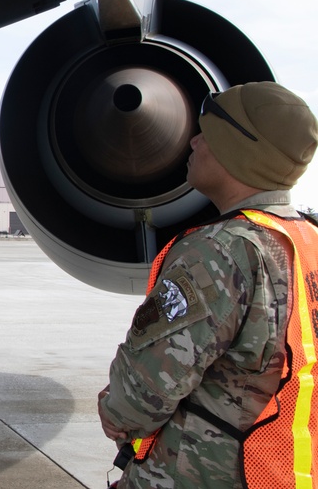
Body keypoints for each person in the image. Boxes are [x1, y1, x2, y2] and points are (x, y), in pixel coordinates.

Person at [97, 81, 318, 487]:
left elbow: (137, 399)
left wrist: (113, 411)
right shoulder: (307, 241)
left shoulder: (220, 252)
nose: (194, 142)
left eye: (209, 134)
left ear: (240, 152)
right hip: (280, 472)